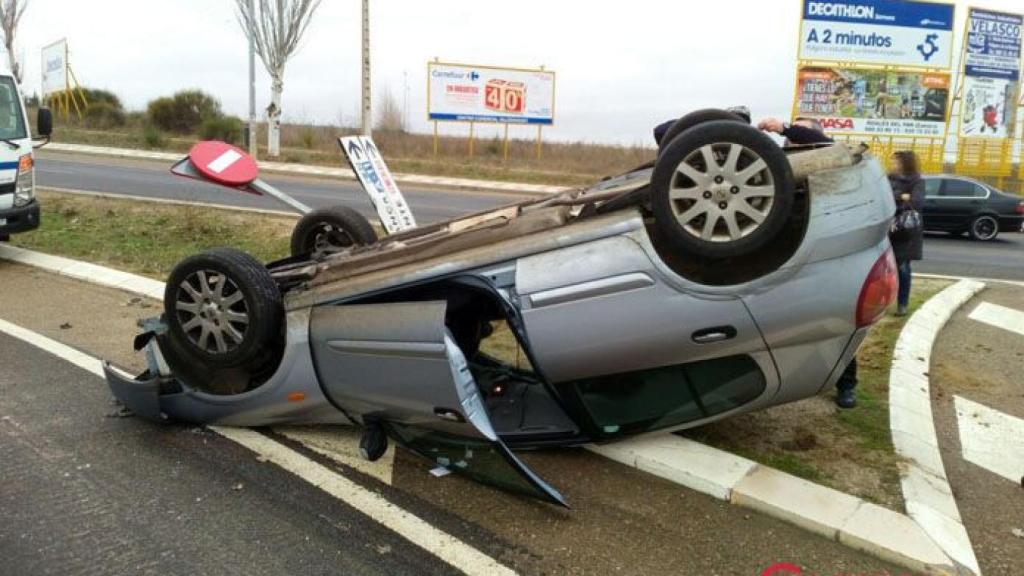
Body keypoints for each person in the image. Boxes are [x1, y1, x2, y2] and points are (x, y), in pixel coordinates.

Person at [888, 151, 925, 316]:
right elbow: (883, 196)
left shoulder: (917, 180)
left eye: (896, 162)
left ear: (905, 163)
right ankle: (883, 302)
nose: (893, 164)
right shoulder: (888, 179)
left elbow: (917, 202)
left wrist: (901, 199)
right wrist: (901, 196)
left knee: (903, 267)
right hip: (887, 228)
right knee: (886, 268)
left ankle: (902, 304)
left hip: (905, 230)